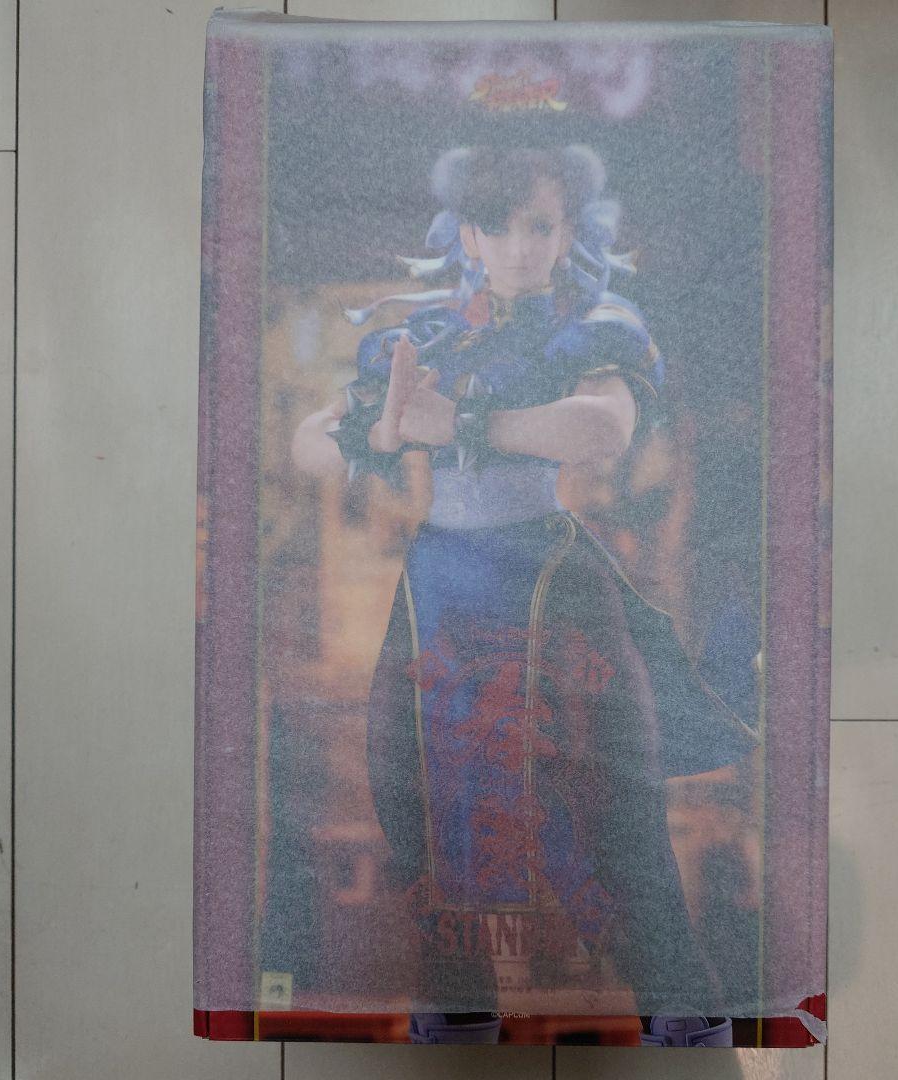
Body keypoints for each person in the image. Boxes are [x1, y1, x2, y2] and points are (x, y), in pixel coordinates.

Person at [291, 144, 757, 1047]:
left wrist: (461, 421)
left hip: (553, 580)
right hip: (440, 589)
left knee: (620, 814)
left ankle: (684, 1022)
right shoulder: (424, 336)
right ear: (467, 235)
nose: (516, 246)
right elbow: (313, 439)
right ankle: (457, 1027)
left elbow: (604, 428)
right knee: (420, 811)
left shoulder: (593, 326)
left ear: (566, 230)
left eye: (537, 225)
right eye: (495, 225)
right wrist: (375, 432)